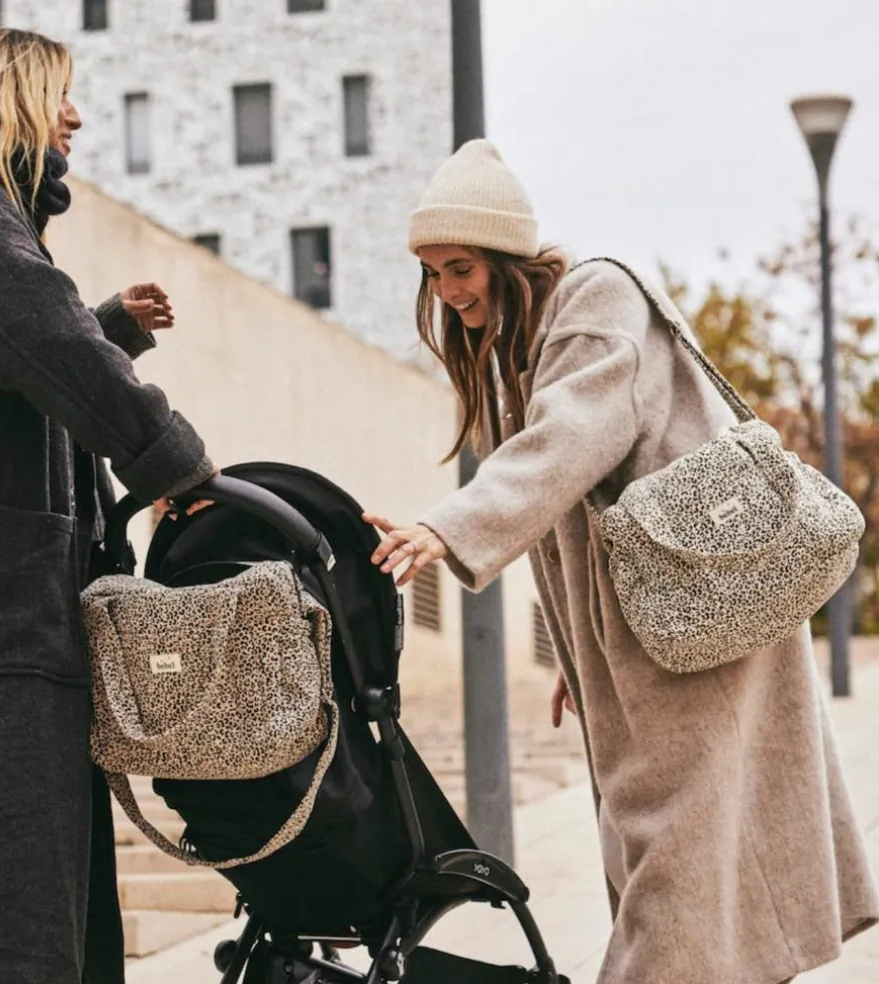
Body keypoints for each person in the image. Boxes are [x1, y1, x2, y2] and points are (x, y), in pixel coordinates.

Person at [363, 138, 879, 984]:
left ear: (504, 254)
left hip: (699, 618)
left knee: (674, 870)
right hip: (650, 636)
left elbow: (570, 441)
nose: (447, 291)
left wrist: (448, 527)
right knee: (688, 863)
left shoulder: (595, 297)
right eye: (432, 273)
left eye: (459, 266)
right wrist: (578, 652)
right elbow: (566, 504)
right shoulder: (516, 349)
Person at [0, 26, 217, 984]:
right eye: (60, 94)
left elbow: (17, 350)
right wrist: (181, 469)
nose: (76, 113)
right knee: (9, 917)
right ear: (7, 102)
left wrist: (108, 323)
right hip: (2, 636)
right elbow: (51, 349)